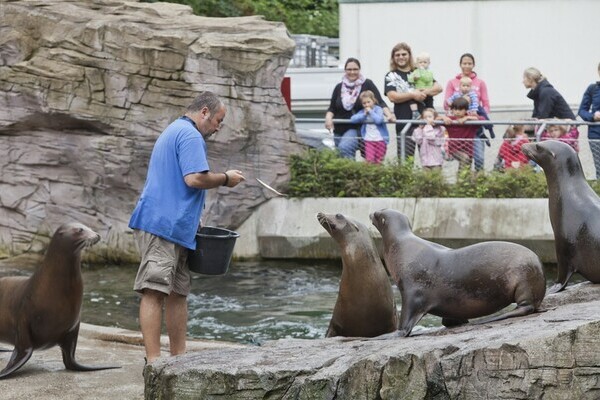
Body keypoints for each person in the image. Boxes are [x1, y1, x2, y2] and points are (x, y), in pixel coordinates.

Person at [128, 91, 245, 364]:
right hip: (163, 226)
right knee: (154, 290)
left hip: (178, 228)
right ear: (204, 112)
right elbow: (194, 179)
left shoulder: (176, 130)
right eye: (218, 120)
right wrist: (226, 179)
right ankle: (155, 362)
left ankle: (178, 358)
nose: (218, 127)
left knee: (179, 292)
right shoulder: (190, 135)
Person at [325, 58, 394, 159]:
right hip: (339, 129)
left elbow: (380, 102)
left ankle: (351, 174)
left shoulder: (367, 84)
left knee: (345, 147)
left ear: (359, 70)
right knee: (340, 154)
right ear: (345, 70)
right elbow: (332, 108)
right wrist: (328, 118)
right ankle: (349, 174)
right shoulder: (339, 87)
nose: (352, 72)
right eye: (349, 69)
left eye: (355, 69)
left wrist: (389, 115)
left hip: (356, 127)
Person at [384, 42, 442, 159]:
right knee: (405, 163)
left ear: (409, 56)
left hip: (426, 124)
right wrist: (412, 95)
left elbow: (438, 88)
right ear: (393, 58)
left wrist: (423, 92)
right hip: (405, 125)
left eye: (404, 54)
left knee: (430, 161)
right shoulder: (391, 75)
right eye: (397, 55)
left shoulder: (420, 71)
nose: (401, 57)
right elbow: (392, 96)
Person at [444, 53, 493, 171]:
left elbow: (486, 105)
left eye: (469, 63)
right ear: (460, 65)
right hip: (459, 127)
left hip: (474, 126)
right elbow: (446, 104)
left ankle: (479, 184)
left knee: (479, 158)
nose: (467, 66)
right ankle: (464, 185)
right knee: (465, 159)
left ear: (473, 65)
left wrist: (478, 115)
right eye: (464, 63)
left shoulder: (480, 83)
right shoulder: (452, 83)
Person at [442, 97, 485, 170]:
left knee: (467, 165)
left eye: (460, 109)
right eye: (455, 109)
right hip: (455, 149)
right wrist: (443, 118)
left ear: (466, 110)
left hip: (468, 148)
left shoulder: (469, 121)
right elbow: (435, 118)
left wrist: (467, 118)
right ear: (452, 110)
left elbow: (483, 119)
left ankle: (463, 180)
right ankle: (461, 180)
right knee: (465, 158)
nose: (457, 112)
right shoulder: (450, 120)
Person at [349, 90, 389, 164]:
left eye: (368, 102)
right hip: (368, 140)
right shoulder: (362, 112)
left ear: (373, 101)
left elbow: (379, 120)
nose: (366, 105)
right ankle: (370, 175)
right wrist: (364, 115)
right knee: (369, 160)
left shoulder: (378, 109)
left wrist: (371, 112)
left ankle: (378, 175)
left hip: (380, 140)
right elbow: (353, 119)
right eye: (364, 103)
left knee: (379, 161)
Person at [577, 62, 600, 179]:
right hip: (596, 134)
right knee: (599, 167)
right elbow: (582, 111)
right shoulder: (593, 89)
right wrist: (593, 116)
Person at [408, 52, 436, 118]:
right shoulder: (416, 71)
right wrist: (413, 78)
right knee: (412, 100)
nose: (422, 64)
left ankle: (431, 115)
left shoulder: (429, 72)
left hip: (427, 90)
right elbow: (410, 78)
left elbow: (428, 79)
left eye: (425, 62)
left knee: (429, 102)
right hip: (418, 90)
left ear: (429, 63)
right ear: (417, 64)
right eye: (420, 62)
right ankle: (415, 112)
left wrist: (422, 74)